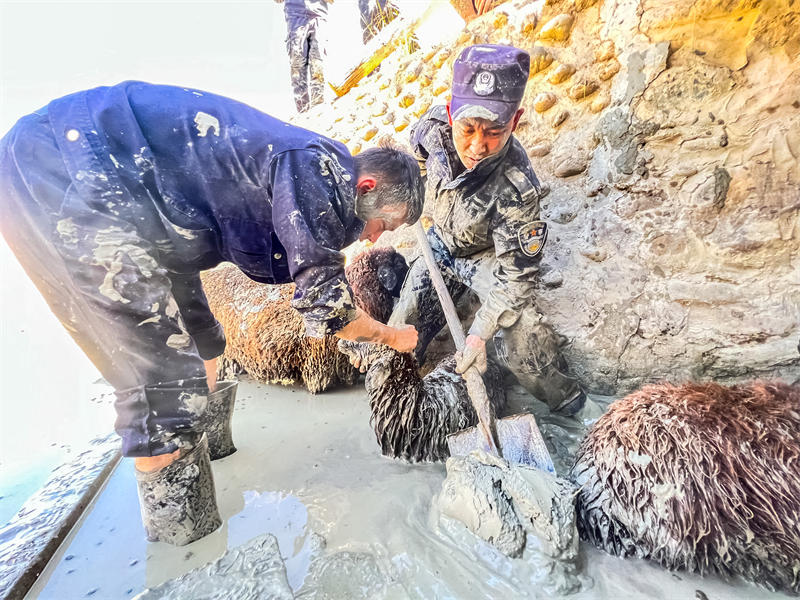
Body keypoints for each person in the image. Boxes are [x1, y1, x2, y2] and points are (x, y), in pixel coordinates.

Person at [0, 81, 422, 545]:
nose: (373, 238)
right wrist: (390, 336)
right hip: (72, 168)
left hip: (156, 219)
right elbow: (326, 302)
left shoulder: (315, 167)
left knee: (205, 336)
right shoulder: (317, 169)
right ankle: (186, 546)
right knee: (162, 382)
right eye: (383, 224)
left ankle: (212, 449)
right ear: (366, 187)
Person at [389, 45, 587, 416]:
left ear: (515, 120)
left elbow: (516, 280)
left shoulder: (516, 187)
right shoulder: (433, 129)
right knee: (403, 322)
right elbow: (415, 150)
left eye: (494, 131)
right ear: (450, 115)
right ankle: (403, 403)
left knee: (523, 333)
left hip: (486, 257)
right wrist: (413, 187)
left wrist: (479, 334)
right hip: (439, 245)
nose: (478, 146)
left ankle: (569, 405)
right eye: (467, 129)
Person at [275, 0, 331, 113]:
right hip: (295, 14)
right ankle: (303, 112)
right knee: (297, 62)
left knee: (317, 61)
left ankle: (318, 108)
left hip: (318, 14)